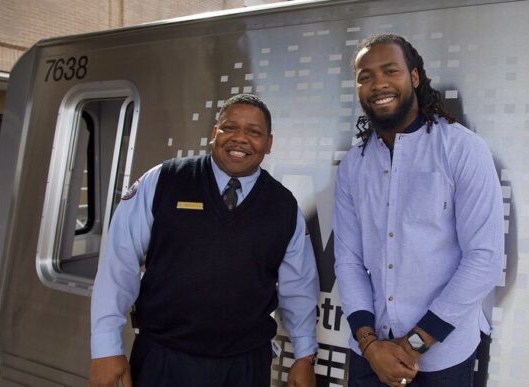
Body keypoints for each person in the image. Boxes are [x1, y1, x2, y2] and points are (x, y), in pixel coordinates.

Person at [89, 94, 319, 387]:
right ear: (214, 134)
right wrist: (106, 348)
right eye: (230, 127)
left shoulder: (284, 207)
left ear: (269, 143)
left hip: (245, 368)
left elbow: (299, 289)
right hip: (163, 360)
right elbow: (117, 265)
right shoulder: (164, 180)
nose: (240, 139)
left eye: (254, 132)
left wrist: (304, 357)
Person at [333, 34, 504, 387]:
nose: (378, 83)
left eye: (390, 71)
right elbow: (348, 262)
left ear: (414, 77)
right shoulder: (354, 165)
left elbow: (484, 259)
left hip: (443, 357)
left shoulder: (462, 149)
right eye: (365, 76)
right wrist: (370, 345)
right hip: (370, 354)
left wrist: (412, 345)